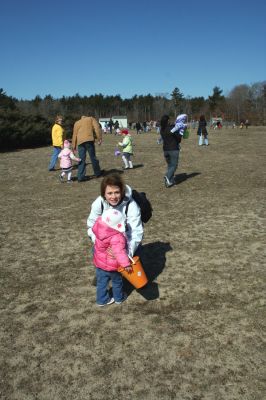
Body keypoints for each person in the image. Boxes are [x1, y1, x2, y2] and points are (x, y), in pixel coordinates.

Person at [87, 173, 144, 285]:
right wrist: (100, 243)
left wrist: (127, 252)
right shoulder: (99, 203)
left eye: (117, 192)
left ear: (122, 192)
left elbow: (136, 232)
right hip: (105, 241)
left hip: (126, 240)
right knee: (98, 252)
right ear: (104, 193)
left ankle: (124, 275)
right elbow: (91, 226)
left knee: (133, 257)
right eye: (109, 193)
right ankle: (102, 273)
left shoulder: (131, 205)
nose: (113, 197)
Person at [92, 208, 132, 306]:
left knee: (101, 283)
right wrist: (126, 264)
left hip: (100, 264)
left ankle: (102, 300)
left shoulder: (99, 228)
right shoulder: (117, 237)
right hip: (113, 266)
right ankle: (119, 297)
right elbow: (119, 252)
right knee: (117, 282)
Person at [72, 115, 103, 182]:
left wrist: (73, 146)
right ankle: (97, 173)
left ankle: (80, 177)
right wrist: (99, 138)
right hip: (89, 140)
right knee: (93, 157)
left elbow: (74, 134)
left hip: (80, 142)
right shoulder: (91, 119)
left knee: (81, 159)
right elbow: (97, 128)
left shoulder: (77, 123)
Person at [160, 114, 183, 188]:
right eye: (169, 120)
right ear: (168, 121)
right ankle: (167, 176)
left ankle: (171, 180)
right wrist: (181, 132)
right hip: (173, 149)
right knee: (174, 165)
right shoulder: (172, 128)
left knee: (170, 165)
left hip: (165, 150)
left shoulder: (162, 129)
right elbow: (178, 138)